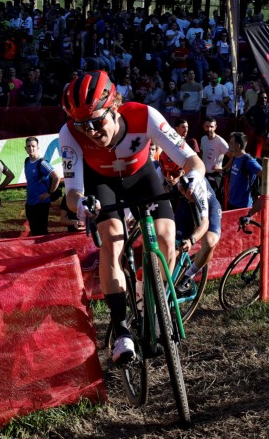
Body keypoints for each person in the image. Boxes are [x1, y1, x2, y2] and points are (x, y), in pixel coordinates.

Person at [59, 71, 208, 365]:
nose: (89, 131)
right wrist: (82, 204)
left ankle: (154, 300)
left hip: (141, 177)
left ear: (114, 106)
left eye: (96, 121)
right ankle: (122, 329)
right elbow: (72, 192)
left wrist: (193, 178)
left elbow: (193, 161)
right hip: (102, 184)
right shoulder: (69, 133)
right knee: (112, 242)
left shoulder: (144, 116)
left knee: (166, 238)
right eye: (82, 125)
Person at [157, 148, 222, 300]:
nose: (170, 178)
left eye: (174, 173)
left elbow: (204, 223)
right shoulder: (160, 172)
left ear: (184, 170)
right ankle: (162, 289)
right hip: (185, 207)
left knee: (210, 241)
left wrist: (192, 239)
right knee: (173, 249)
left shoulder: (196, 183)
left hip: (206, 205)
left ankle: (188, 276)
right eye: (166, 173)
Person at [24, 136, 61, 237]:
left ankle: (44, 251)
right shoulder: (27, 161)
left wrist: (50, 193)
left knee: (41, 232)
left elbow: (57, 177)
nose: (31, 148)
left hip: (41, 204)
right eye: (28, 146)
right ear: (25, 148)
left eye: (33, 146)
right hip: (30, 203)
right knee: (34, 231)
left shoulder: (42, 163)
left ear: (37, 147)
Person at [226, 131, 262, 210]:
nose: (229, 144)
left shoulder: (249, 161)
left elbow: (264, 174)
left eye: (231, 143)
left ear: (238, 146)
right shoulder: (235, 157)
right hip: (231, 202)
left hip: (243, 206)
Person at [200, 116, 230, 197]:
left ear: (215, 127)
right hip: (204, 176)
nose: (209, 129)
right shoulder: (203, 139)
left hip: (215, 179)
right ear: (203, 126)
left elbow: (233, 156)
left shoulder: (220, 142)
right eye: (207, 126)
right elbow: (202, 154)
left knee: (214, 202)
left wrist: (223, 169)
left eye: (212, 127)